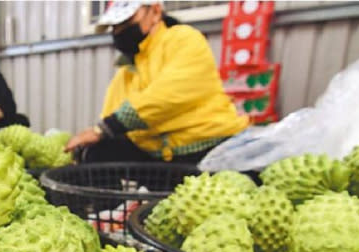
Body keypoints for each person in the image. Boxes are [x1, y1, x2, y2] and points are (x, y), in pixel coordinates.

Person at [65, 1, 249, 164]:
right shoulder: (127, 69)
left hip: (203, 145)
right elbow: (111, 113)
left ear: (155, 12)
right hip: (157, 153)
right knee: (98, 151)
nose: (119, 31)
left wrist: (103, 129)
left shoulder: (184, 39)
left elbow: (169, 95)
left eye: (125, 22)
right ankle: (109, 204)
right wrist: (93, 138)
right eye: (114, 26)